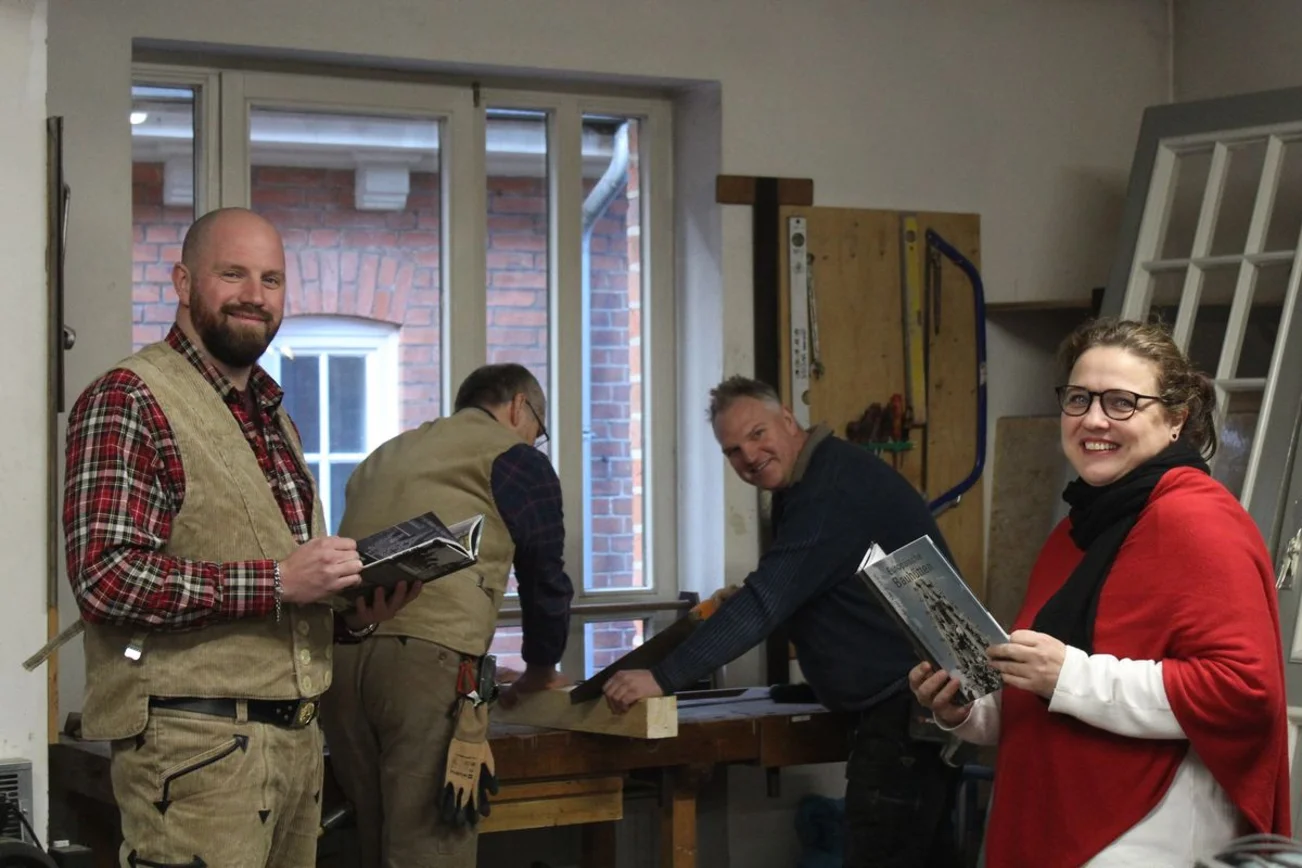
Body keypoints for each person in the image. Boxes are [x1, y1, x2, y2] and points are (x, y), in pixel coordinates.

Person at [62, 207, 420, 868]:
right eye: (233, 275)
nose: (255, 295)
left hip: (296, 747)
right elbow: (106, 578)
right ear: (182, 282)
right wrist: (281, 580)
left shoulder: (272, 416)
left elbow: (275, 588)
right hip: (194, 753)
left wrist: (351, 612)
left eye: (271, 280)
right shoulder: (130, 398)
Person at [910, 317, 1291, 867]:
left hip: (1147, 832)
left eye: (1121, 403)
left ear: (1176, 419)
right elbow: (1044, 699)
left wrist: (1067, 673)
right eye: (1079, 398)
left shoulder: (1199, 521)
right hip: (1056, 817)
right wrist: (967, 706)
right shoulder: (1076, 531)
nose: (1093, 419)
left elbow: (1242, 692)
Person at [604, 375, 962, 868]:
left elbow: (767, 601)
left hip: (910, 707)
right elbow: (810, 586)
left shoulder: (829, 490)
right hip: (910, 701)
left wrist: (662, 677)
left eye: (757, 434)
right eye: (733, 450)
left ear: (789, 420)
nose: (749, 457)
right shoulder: (807, 482)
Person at [320, 362, 574, 867]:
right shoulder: (515, 458)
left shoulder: (385, 454)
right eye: (538, 429)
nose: (534, 440)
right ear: (519, 406)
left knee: (373, 841)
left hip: (341, 662)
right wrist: (541, 671)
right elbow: (545, 577)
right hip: (428, 667)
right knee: (429, 849)